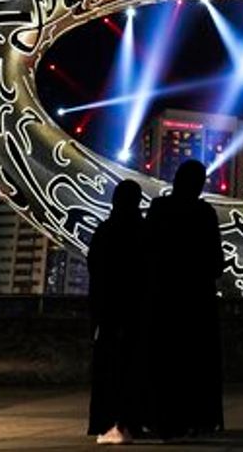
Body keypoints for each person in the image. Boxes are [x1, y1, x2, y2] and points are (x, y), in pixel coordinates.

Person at [145, 160, 225, 439]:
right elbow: (217, 262)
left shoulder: (159, 208)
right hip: (196, 299)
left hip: (163, 298)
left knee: (164, 359)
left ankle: (162, 418)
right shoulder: (205, 212)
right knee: (196, 361)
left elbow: (147, 250)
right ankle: (199, 418)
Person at [87, 179, 145, 445]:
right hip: (135, 309)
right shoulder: (142, 231)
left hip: (109, 310)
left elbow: (95, 268)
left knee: (108, 368)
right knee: (132, 367)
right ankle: (129, 422)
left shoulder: (106, 229)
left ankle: (108, 424)